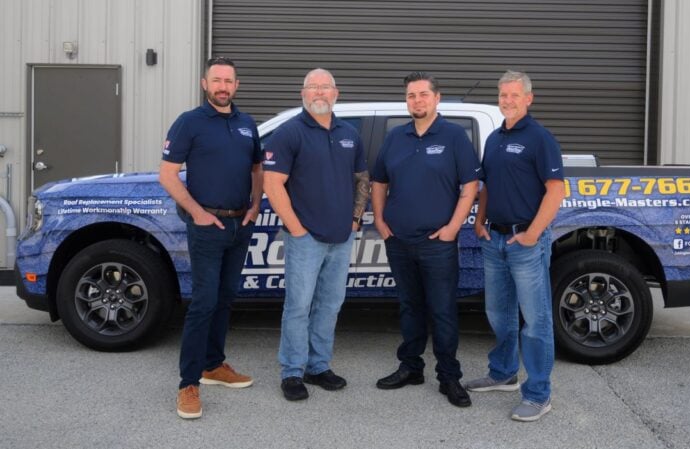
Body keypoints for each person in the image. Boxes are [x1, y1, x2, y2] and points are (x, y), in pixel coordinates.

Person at [159, 57, 264, 419]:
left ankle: (213, 365)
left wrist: (255, 204)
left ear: (237, 85)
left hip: (239, 225)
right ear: (205, 84)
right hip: (206, 228)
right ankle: (188, 383)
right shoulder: (190, 122)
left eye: (229, 81)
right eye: (216, 80)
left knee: (224, 298)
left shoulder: (247, 123)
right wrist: (199, 213)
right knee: (204, 301)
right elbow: (168, 175)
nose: (223, 86)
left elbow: (256, 167)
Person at [371, 72, 480, 408]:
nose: (416, 101)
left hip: (438, 243)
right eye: (411, 96)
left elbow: (471, 186)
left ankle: (449, 376)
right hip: (399, 241)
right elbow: (378, 181)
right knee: (409, 307)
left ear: (437, 98)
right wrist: (380, 220)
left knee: (443, 310)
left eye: (422, 95)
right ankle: (411, 367)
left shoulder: (453, 136)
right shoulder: (395, 137)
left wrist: (452, 228)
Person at [463, 70, 565, 422]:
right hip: (495, 239)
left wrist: (534, 233)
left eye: (514, 95)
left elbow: (556, 190)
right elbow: (487, 184)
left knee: (535, 321)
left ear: (528, 98)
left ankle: (539, 394)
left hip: (526, 242)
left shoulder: (540, 139)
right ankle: (503, 372)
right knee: (499, 313)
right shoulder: (493, 139)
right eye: (503, 95)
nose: (507, 100)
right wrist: (479, 219)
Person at [263, 68, 369, 401]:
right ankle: (292, 372)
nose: (319, 93)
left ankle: (318, 366)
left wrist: (354, 220)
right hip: (305, 239)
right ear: (303, 94)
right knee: (298, 306)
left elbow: (361, 178)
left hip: (342, 238)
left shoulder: (349, 132)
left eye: (325, 87)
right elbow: (272, 183)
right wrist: (297, 228)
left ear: (336, 93)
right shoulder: (289, 133)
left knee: (330, 305)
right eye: (313, 87)